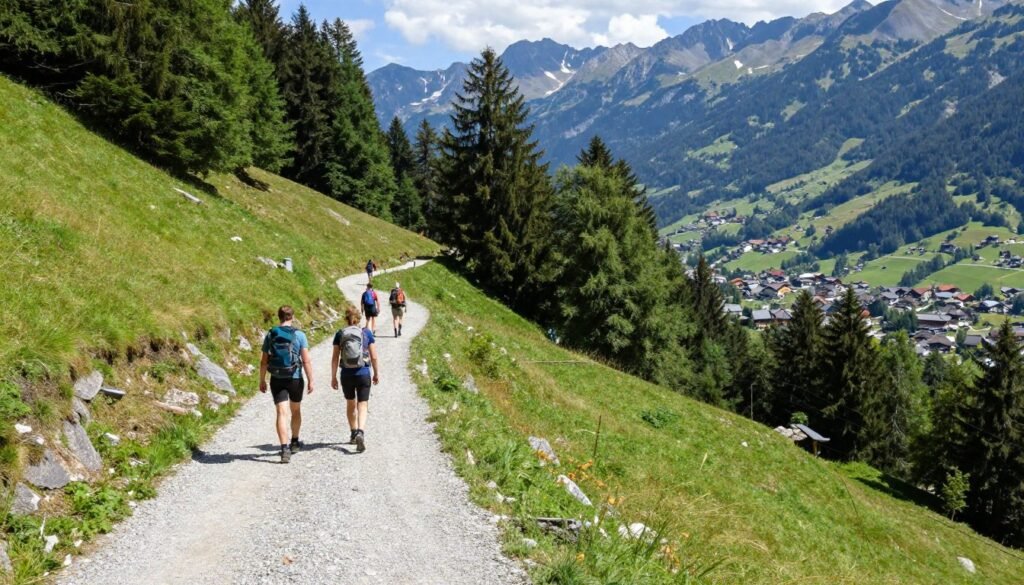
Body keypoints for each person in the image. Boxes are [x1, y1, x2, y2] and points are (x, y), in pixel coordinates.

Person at [259, 306, 314, 464]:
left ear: (279, 317)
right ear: (292, 317)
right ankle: (295, 442)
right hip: (295, 377)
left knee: (281, 413)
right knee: (295, 410)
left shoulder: (271, 334)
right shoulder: (300, 335)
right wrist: (311, 379)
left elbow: (264, 361)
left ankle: (284, 449)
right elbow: (306, 360)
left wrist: (262, 380)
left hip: (277, 377)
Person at [331, 306, 380, 452]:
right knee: (363, 404)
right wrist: (376, 373)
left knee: (350, 403)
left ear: (346, 319)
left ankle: (353, 433)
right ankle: (360, 432)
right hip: (363, 372)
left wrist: (333, 377)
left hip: (346, 374)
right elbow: (374, 356)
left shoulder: (340, 334)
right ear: (359, 319)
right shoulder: (366, 333)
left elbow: (335, 358)